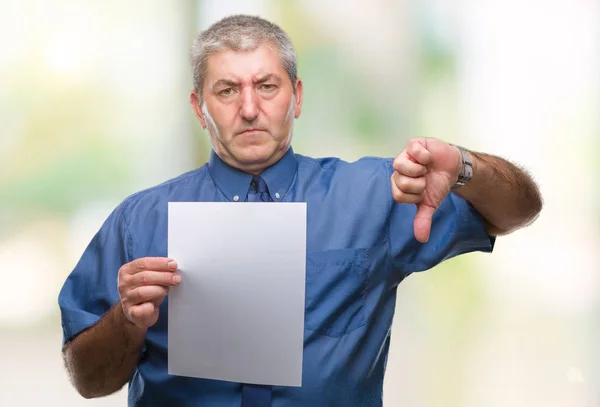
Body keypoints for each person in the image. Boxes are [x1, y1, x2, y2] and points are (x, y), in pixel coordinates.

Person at [58, 14, 542, 407]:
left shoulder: (379, 194)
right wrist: (126, 320)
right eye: (227, 90)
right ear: (199, 107)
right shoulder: (139, 221)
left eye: (267, 86)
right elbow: (88, 381)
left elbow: (520, 211)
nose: (249, 108)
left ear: (298, 97)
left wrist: (463, 166)